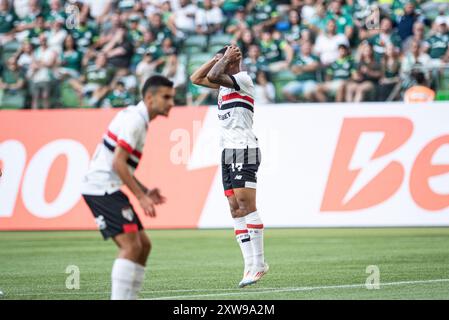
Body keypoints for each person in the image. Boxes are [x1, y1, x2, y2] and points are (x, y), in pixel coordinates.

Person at [81, 75, 175, 300]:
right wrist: (141, 197)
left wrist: (144, 190)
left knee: (144, 245)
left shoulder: (138, 118)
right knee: (132, 247)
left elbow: (120, 164)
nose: (171, 102)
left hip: (108, 186)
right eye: (166, 97)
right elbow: (117, 163)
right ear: (150, 98)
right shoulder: (135, 120)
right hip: (100, 188)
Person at [190, 45, 268, 288]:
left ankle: (259, 263)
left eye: (221, 59)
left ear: (233, 59)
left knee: (247, 206)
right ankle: (248, 264)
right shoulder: (223, 84)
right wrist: (216, 58)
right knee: (234, 209)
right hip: (227, 151)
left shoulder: (242, 79)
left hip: (244, 149)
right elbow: (195, 78)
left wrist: (223, 60)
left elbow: (212, 75)